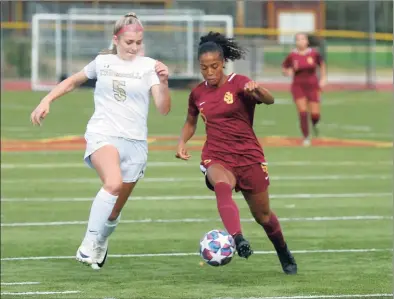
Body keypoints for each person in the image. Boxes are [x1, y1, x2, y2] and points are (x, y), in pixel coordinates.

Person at [30, 12, 171, 270]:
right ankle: (88, 243)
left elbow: (163, 108)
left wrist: (163, 82)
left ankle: (101, 241)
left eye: (139, 42)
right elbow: (73, 81)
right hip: (102, 134)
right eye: (129, 42)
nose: (134, 47)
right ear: (116, 39)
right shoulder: (102, 62)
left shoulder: (150, 66)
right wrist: (46, 100)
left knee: (114, 211)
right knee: (113, 183)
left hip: (136, 144)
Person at [175, 31, 297, 275]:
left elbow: (269, 100)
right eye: (204, 68)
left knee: (263, 216)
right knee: (221, 184)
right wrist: (182, 142)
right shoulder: (197, 94)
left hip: (248, 156)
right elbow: (191, 121)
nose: (209, 72)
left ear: (223, 63)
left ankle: (283, 250)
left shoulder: (239, 82)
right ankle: (238, 238)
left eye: (214, 67)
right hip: (217, 154)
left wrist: (257, 90)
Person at [282, 33, 327, 146]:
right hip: (298, 86)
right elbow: (284, 68)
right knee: (302, 112)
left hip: (312, 86)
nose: (300, 42)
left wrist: (323, 78)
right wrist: (287, 72)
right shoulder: (292, 55)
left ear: (307, 41)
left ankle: (315, 123)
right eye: (298, 40)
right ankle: (306, 137)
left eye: (302, 39)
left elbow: (322, 65)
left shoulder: (314, 54)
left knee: (315, 114)